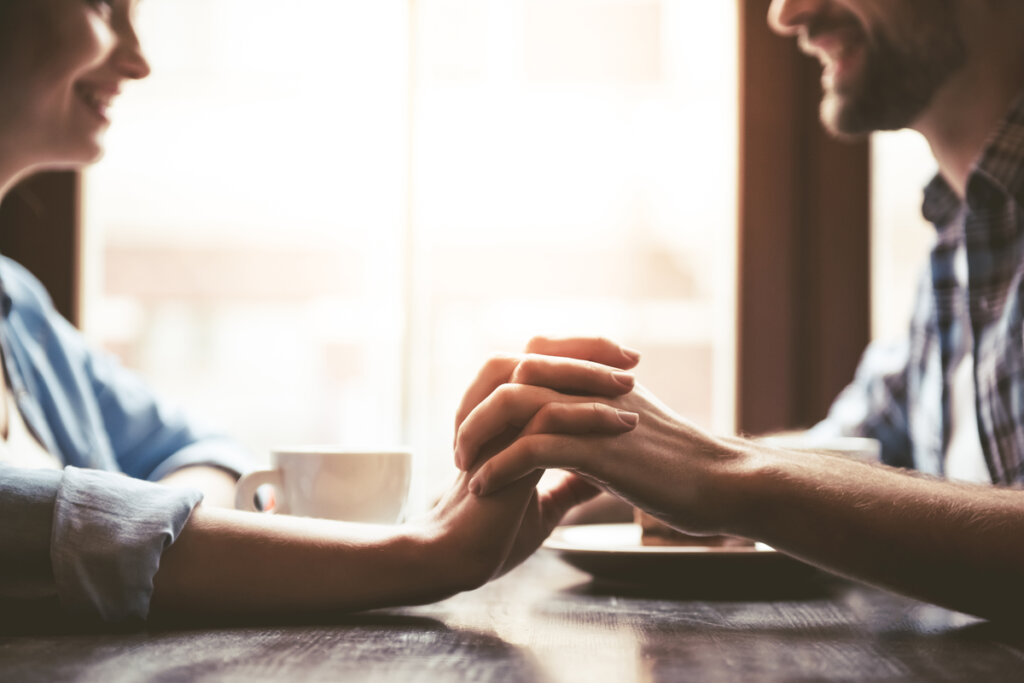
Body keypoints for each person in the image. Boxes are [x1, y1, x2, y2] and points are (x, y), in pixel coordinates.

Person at [0, 0, 646, 624]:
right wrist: (421, 554)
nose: (138, 62)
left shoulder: (17, 305)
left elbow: (202, 450)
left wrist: (173, 523)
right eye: (101, 5)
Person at [455, 0, 1024, 621]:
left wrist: (718, 474)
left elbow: (770, 477)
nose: (787, 14)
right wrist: (576, 469)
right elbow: (846, 465)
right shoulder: (961, 249)